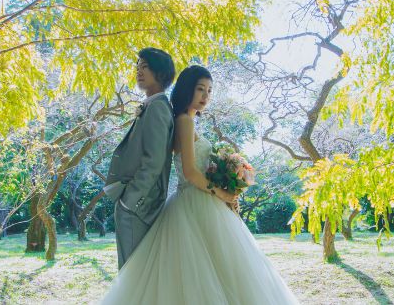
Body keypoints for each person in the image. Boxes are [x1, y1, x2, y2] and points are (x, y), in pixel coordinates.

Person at [101, 65, 299, 304]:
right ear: (187, 89)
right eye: (200, 89)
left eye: (209, 91)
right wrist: (222, 194)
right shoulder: (184, 121)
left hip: (196, 201)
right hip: (194, 201)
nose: (206, 96)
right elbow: (190, 172)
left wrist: (227, 175)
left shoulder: (186, 120)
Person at [104, 47, 176, 268]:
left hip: (137, 207)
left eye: (145, 66)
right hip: (134, 205)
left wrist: (129, 201)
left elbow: (153, 162)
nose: (138, 70)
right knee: (132, 273)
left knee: (131, 272)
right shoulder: (152, 105)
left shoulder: (158, 108)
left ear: (161, 73)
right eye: (138, 66)